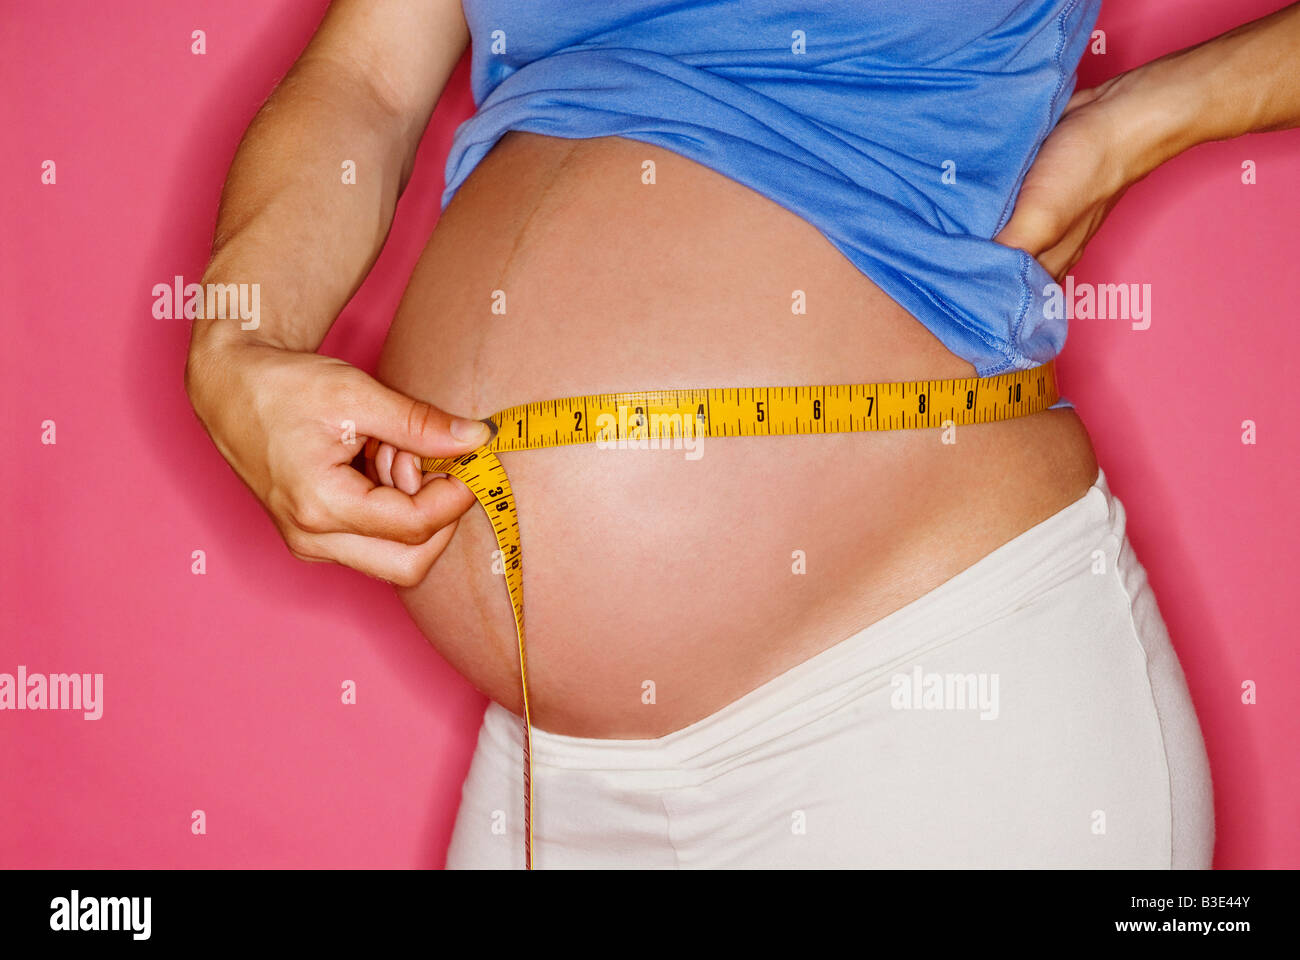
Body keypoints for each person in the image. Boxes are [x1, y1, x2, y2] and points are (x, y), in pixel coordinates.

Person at [185, 0, 1300, 868]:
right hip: (552, 771)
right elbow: (366, 77)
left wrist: (1143, 118)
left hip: (930, 703)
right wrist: (238, 339)